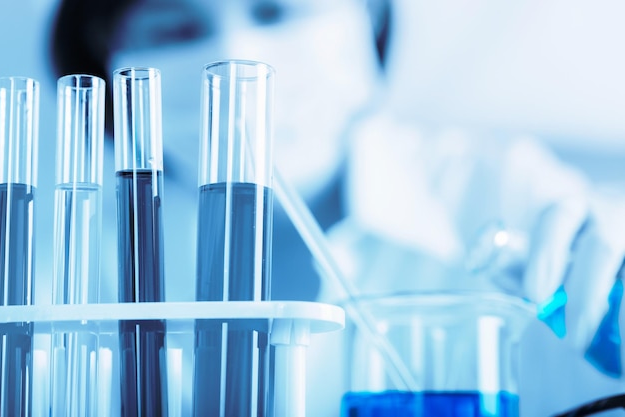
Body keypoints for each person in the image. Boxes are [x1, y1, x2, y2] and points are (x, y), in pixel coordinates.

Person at [47, 0, 625, 415]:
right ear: (106, 60)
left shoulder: (502, 191)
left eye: (275, 11)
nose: (234, 54)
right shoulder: (72, 244)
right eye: (175, 27)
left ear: (366, 17)